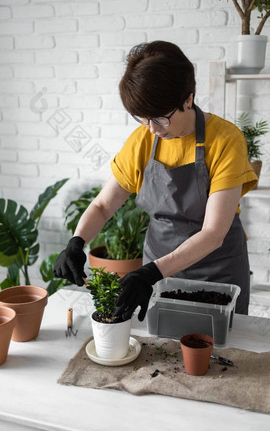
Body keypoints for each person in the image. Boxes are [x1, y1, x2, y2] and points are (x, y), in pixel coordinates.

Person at [54, 40, 258, 322]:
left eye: (161, 118)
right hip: (158, 269)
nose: (152, 129)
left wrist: (151, 272)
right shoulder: (143, 140)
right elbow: (103, 205)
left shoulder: (225, 140)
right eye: (143, 119)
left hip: (217, 270)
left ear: (188, 98)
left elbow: (213, 233)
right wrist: (76, 243)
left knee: (218, 352)